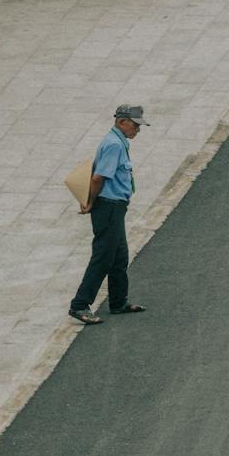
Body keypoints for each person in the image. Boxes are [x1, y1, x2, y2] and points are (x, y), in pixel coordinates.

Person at [69, 104, 148, 324]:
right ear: (122, 122)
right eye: (135, 125)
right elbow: (98, 178)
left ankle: (118, 301)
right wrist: (90, 202)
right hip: (108, 207)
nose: (137, 130)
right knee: (103, 256)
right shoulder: (114, 145)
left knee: (119, 256)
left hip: (115, 207)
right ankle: (79, 305)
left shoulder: (118, 143)